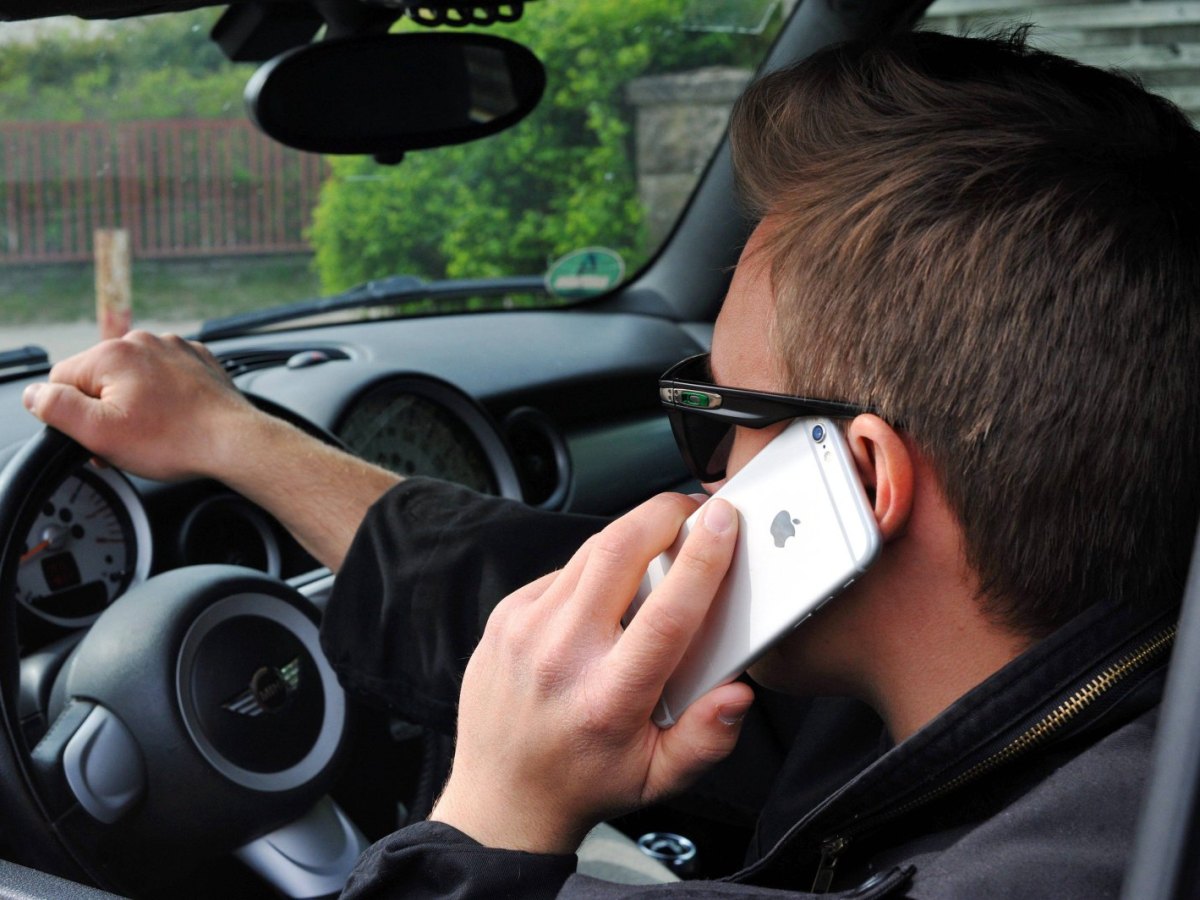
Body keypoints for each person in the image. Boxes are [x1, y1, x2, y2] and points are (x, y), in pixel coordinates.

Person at [22, 28, 1200, 899]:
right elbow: (543, 596)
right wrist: (234, 439)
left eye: (717, 419)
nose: (693, 489)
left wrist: (495, 813)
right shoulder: (1072, 690)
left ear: (861, 483)